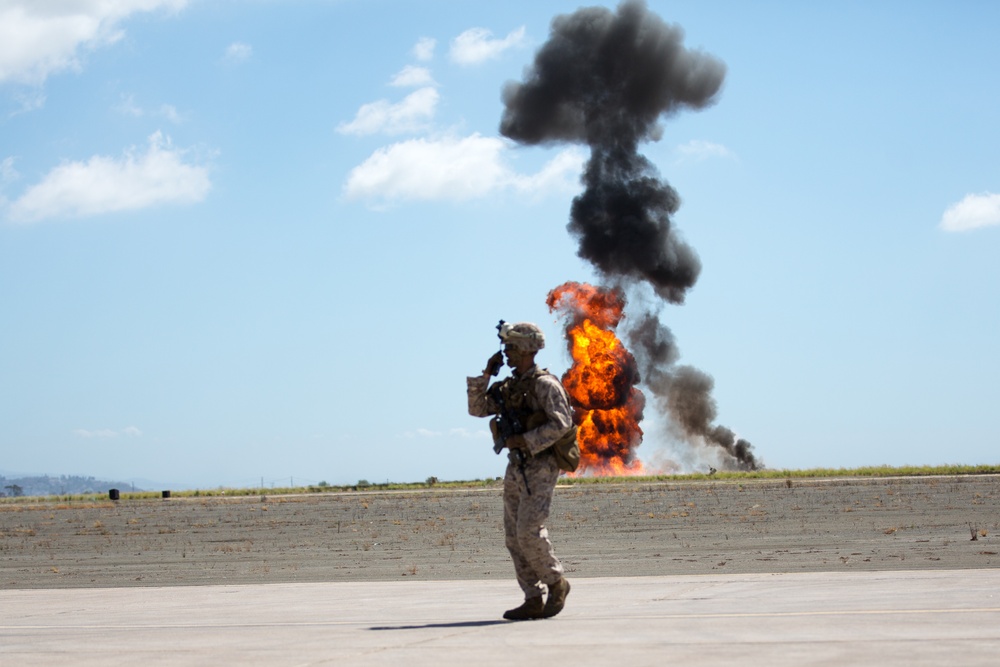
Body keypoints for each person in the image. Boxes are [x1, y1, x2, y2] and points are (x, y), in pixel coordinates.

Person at [467, 321, 574, 620]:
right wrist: (487, 373)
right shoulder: (509, 387)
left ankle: (556, 583)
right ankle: (532, 597)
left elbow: (562, 424)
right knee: (513, 537)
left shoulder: (545, 385)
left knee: (528, 530)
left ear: (527, 349)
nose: (507, 353)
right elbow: (477, 409)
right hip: (516, 466)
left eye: (511, 347)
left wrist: (525, 440)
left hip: (541, 464)